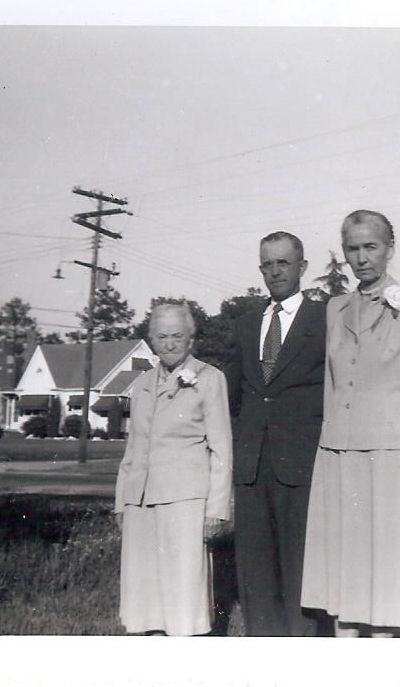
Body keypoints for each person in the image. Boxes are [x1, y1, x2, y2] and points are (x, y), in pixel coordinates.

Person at [301, 209, 400, 637]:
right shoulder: (335, 308)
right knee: (343, 569)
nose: (362, 257)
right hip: (336, 452)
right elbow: (332, 383)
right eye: (353, 248)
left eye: (371, 247)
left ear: (390, 249)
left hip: (385, 454)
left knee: (383, 572)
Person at [225, 231, 327, 636]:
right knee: (255, 569)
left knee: (299, 566)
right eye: (267, 264)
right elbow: (232, 396)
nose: (274, 271)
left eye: (283, 263)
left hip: (301, 464)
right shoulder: (245, 324)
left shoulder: (323, 319)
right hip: (251, 466)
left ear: (302, 267)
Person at [115, 302, 233, 636]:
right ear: (152, 340)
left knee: (183, 588)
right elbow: (133, 446)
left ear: (191, 339)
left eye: (177, 336)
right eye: (162, 336)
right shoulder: (142, 385)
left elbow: (221, 449)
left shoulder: (210, 379)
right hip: (140, 501)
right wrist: (122, 502)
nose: (169, 343)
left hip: (186, 500)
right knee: (145, 591)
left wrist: (217, 509)